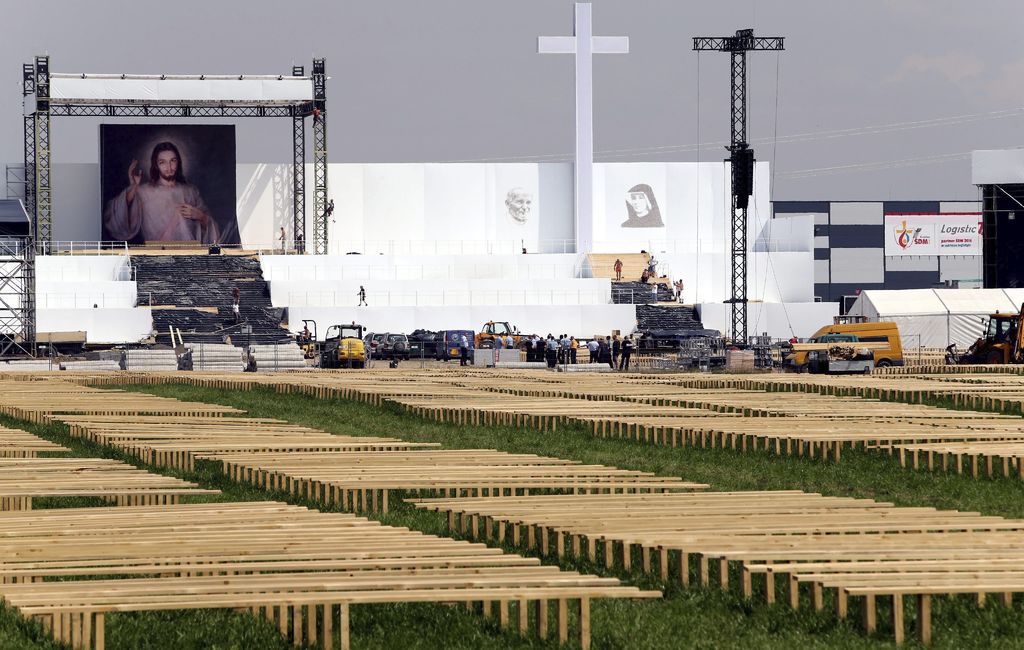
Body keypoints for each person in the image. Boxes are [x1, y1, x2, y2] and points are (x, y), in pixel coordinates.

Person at [104, 141, 220, 244]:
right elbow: (115, 220)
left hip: (190, 256)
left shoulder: (190, 191)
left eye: (172, 161)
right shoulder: (144, 192)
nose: (169, 167)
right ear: (156, 165)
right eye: (162, 162)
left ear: (178, 162)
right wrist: (133, 187)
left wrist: (200, 216)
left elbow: (212, 232)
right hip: (156, 256)